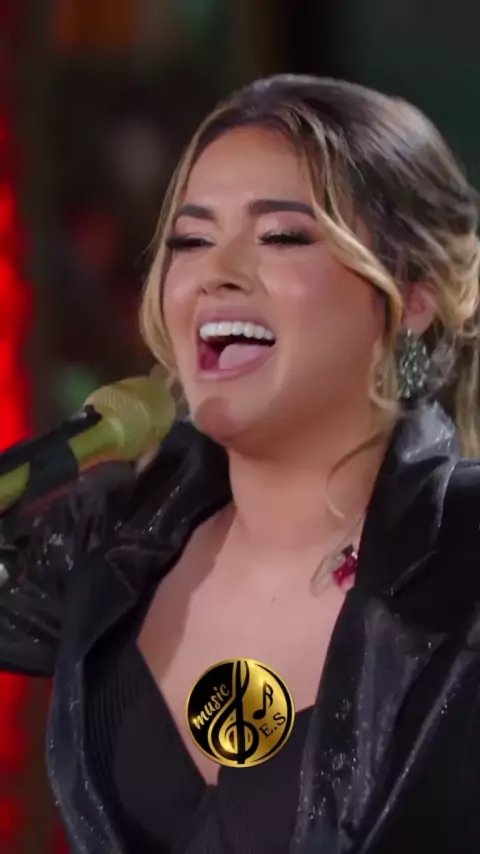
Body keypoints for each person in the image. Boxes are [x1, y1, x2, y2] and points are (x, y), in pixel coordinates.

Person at [1, 74, 480, 854]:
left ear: (412, 294)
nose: (215, 272)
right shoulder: (110, 540)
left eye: (282, 236)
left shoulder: (463, 550)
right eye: (190, 241)